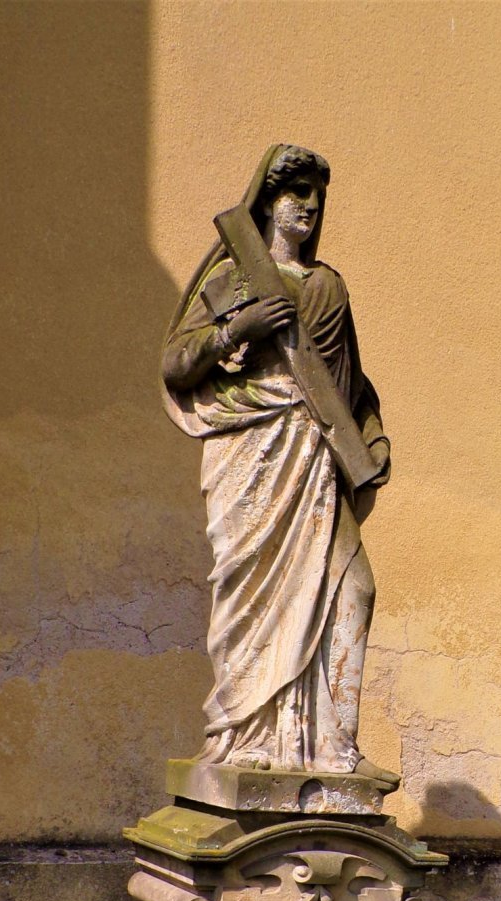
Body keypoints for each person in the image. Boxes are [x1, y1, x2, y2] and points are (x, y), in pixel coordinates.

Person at [161, 144, 394, 779]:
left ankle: (333, 750)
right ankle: (247, 738)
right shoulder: (233, 279)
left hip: (318, 454)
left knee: (356, 589)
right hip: (252, 455)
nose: (311, 208)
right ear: (268, 201)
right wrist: (239, 329)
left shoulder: (327, 287)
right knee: (254, 598)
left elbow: (350, 382)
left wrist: (372, 438)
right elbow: (177, 364)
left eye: (319, 197)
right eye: (297, 194)